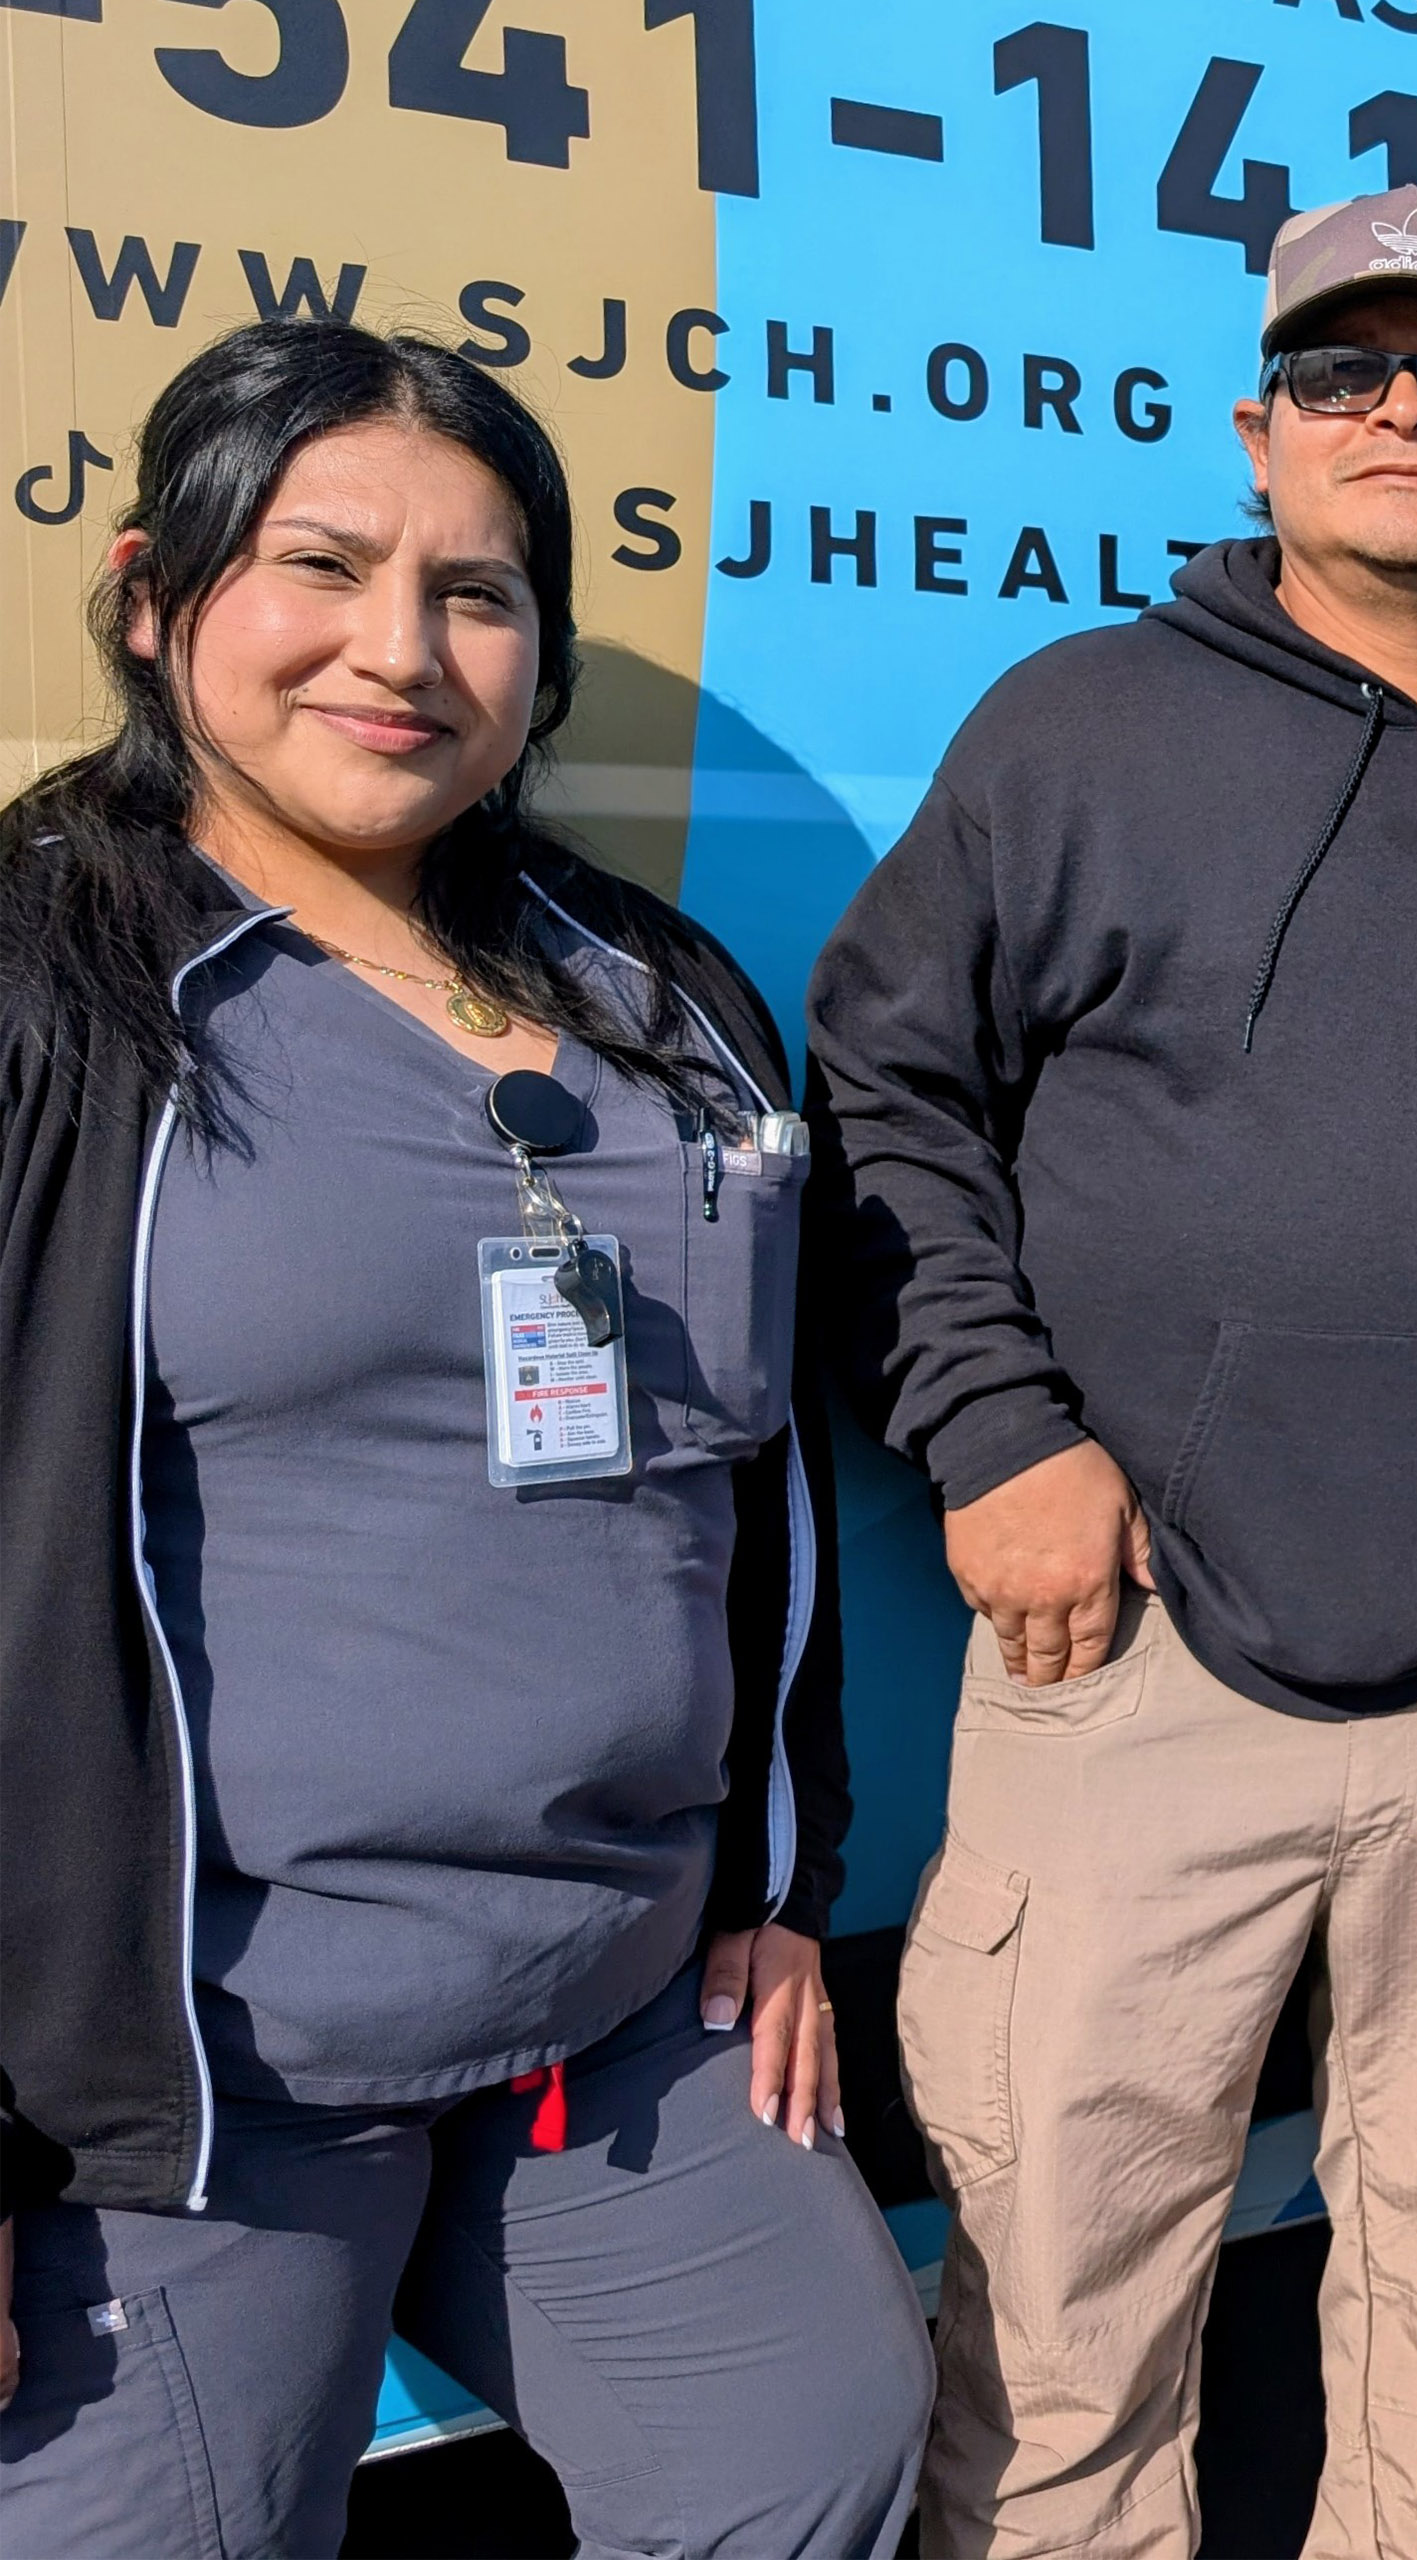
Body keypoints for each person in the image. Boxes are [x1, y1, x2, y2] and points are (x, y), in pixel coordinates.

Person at [809, 188, 1417, 2560]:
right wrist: (996, 1429)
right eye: (1342, 370)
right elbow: (884, 1092)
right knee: (1063, 2329)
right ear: (1258, 428)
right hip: (1131, 1657)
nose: (1403, 409)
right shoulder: (1082, 726)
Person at [0, 320, 928, 2556]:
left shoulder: (658, 994)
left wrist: (777, 1887)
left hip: (616, 2017)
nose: (402, 652)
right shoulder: (48, 987)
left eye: (477, 592)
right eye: (321, 567)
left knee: (812, 2447)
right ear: (155, 594)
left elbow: (758, 1485)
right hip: (194, 2081)